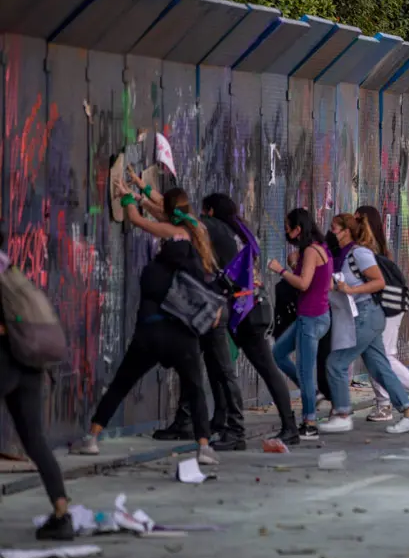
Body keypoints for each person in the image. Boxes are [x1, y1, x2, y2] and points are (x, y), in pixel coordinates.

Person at [73, 185, 219, 465]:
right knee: (195, 388)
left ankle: (92, 437)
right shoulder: (195, 237)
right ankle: (204, 447)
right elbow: (162, 214)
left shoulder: (161, 258)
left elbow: (139, 220)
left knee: (121, 383)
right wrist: (142, 194)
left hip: (150, 333)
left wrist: (127, 198)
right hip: (183, 334)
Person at [155, 193, 299, 446]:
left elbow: (175, 217)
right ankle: (211, 421)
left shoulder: (214, 227)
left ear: (209, 211)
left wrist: (143, 195)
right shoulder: (237, 231)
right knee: (213, 363)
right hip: (249, 307)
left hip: (245, 310)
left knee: (231, 368)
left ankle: (278, 427)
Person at [136, 186, 243, 450]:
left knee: (221, 370)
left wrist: (139, 196)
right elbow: (168, 217)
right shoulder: (204, 227)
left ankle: (235, 429)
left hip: (211, 308)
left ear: (209, 210)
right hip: (204, 306)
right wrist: (143, 193)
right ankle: (191, 423)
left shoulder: (204, 226)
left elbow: (166, 218)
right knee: (194, 364)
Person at [321, 213, 409, 434]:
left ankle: (342, 414)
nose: (330, 232)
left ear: (346, 231)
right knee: (379, 367)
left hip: (368, 314)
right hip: (362, 315)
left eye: (334, 228)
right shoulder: (342, 255)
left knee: (336, 363)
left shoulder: (360, 253)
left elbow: (379, 282)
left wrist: (351, 290)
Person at [0, 236, 73, 540]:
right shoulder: (9, 270)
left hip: (5, 357)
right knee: (35, 441)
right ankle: (62, 514)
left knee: (34, 439)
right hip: (29, 359)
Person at [355, 205, 409, 422]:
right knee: (378, 355)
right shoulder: (378, 246)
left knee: (381, 356)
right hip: (390, 305)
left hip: (386, 307)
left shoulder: (366, 248)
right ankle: (387, 403)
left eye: (356, 219)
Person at [269, 208, 333, 440]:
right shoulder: (321, 248)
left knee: (306, 372)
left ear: (298, 229)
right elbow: (328, 283)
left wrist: (282, 270)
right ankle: (312, 395)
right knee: (278, 352)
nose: (286, 232)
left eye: (288, 228)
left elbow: (304, 284)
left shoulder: (311, 252)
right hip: (317, 316)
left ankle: (310, 422)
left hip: (311, 318)